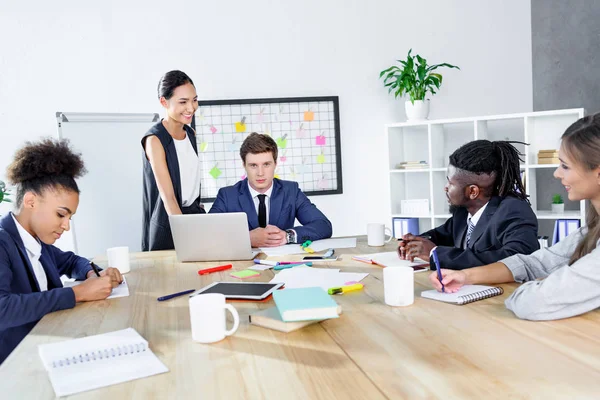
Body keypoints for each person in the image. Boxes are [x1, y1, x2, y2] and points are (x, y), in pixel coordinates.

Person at [429, 114, 600, 320]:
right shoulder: (590, 231)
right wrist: (465, 276)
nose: (556, 174)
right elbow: (532, 263)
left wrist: (537, 283)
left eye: (565, 166)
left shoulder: (511, 209)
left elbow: (532, 303)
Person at [0, 138, 123, 364]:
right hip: (16, 363)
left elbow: (70, 261)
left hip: (49, 346)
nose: (66, 225)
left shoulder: (38, 242)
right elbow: (2, 309)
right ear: (30, 201)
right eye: (61, 214)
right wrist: (78, 293)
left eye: (69, 217)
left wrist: (91, 274)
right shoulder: (2, 241)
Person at [399, 140, 539, 270]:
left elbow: (518, 259)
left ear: (472, 191)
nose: (446, 188)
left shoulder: (513, 210)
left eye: (451, 183)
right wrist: (415, 243)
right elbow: (440, 235)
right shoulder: (464, 211)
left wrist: (434, 253)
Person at [209, 132, 332, 247]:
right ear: (244, 165)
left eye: (266, 164)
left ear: (275, 164)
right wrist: (247, 238)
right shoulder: (227, 195)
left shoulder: (291, 191)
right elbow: (208, 233)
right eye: (253, 165)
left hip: (281, 263)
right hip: (242, 264)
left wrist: (288, 236)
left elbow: (323, 225)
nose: (260, 173)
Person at [142, 70, 205, 251]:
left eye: (194, 100)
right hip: (170, 227)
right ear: (164, 102)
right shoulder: (155, 140)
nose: (191, 108)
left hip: (193, 220)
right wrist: (185, 237)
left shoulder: (190, 134)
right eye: (183, 102)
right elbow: (168, 197)